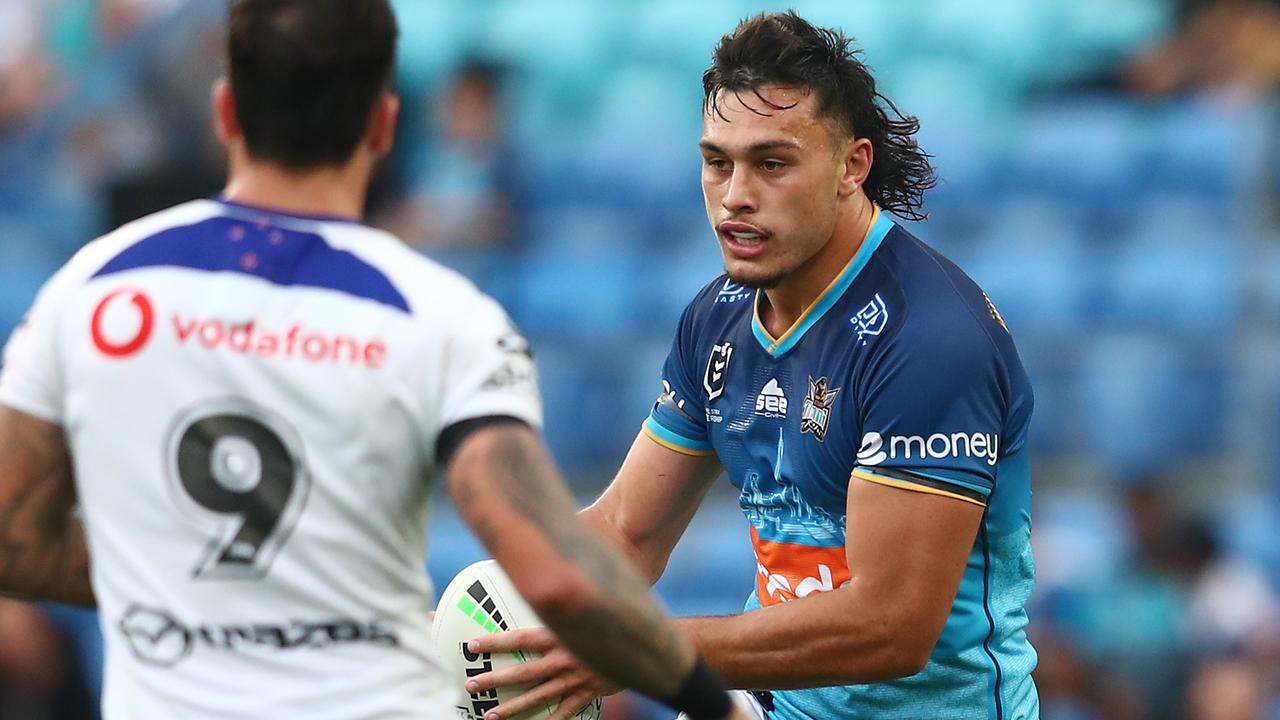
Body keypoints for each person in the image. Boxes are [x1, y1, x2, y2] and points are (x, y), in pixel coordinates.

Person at [0, 2, 747, 719]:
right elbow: (555, 575)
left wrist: (172, 568)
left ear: (226, 111)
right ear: (385, 124)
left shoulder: (93, 289)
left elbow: (12, 538)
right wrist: (711, 706)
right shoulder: (440, 316)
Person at [467, 11, 1040, 720]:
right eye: (718, 162)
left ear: (851, 166)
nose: (736, 194)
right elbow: (627, 530)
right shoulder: (718, 319)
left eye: (771, 163)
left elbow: (890, 627)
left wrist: (638, 649)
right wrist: (509, 609)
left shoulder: (928, 341)